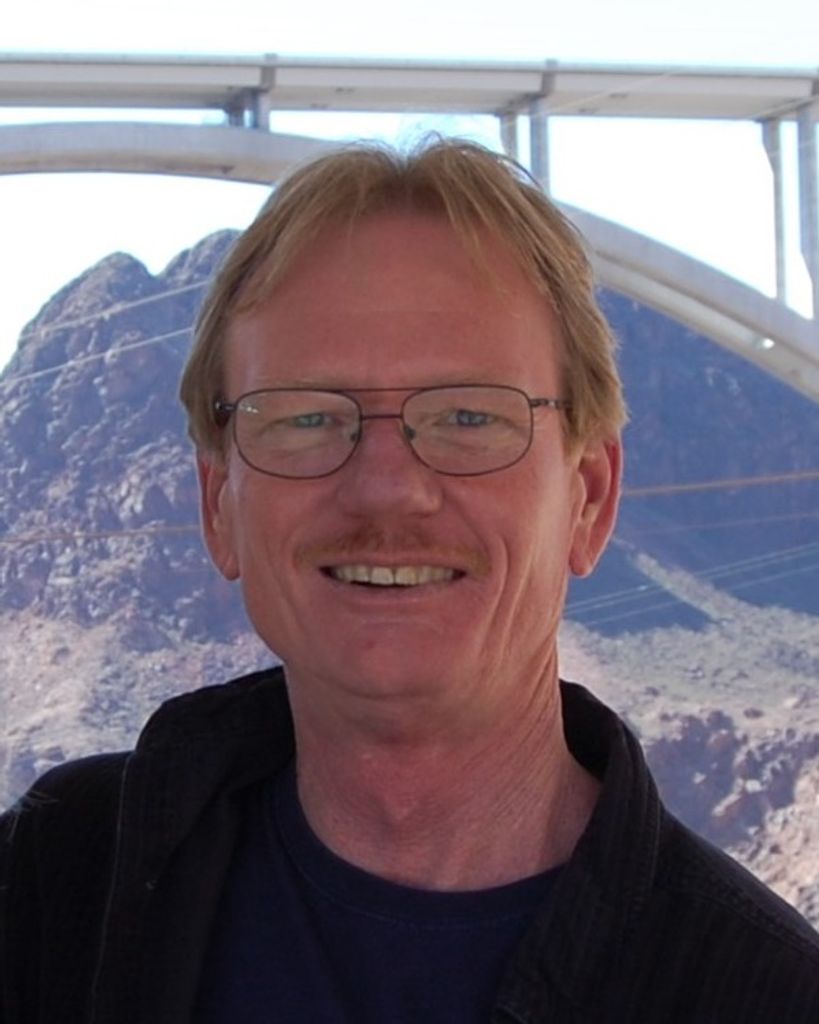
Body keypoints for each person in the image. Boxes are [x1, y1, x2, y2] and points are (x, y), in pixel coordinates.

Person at [1, 138, 818, 1024]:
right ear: (217, 504)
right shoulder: (50, 897)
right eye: (305, 418)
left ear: (587, 499)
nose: (387, 487)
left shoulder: (765, 995)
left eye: (469, 415)